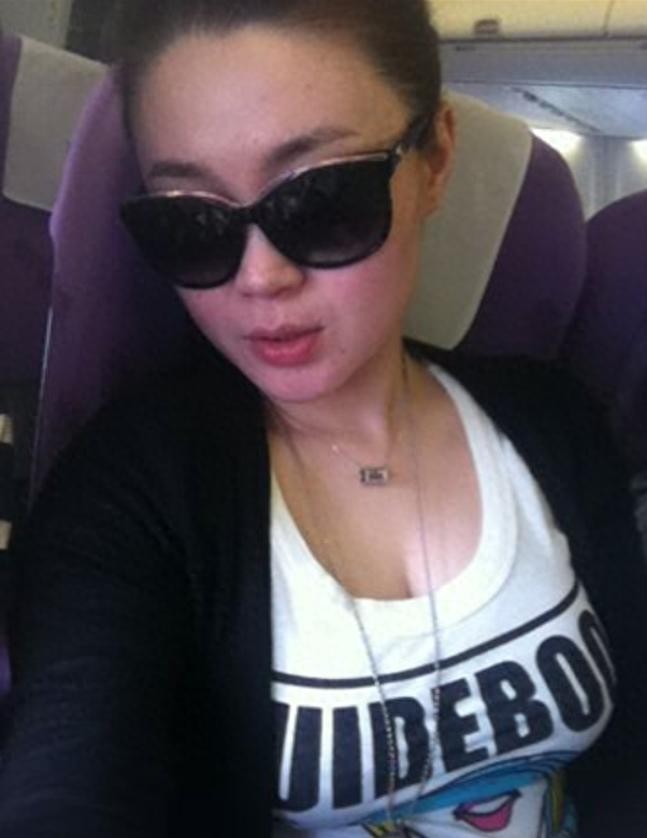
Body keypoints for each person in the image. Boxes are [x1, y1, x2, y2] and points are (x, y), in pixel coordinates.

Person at [0, 2, 645, 836]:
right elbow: (69, 774)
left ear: (435, 160)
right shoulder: (130, 492)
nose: (260, 277)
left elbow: (630, 754)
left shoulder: (552, 417)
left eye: (322, 200)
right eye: (191, 223)